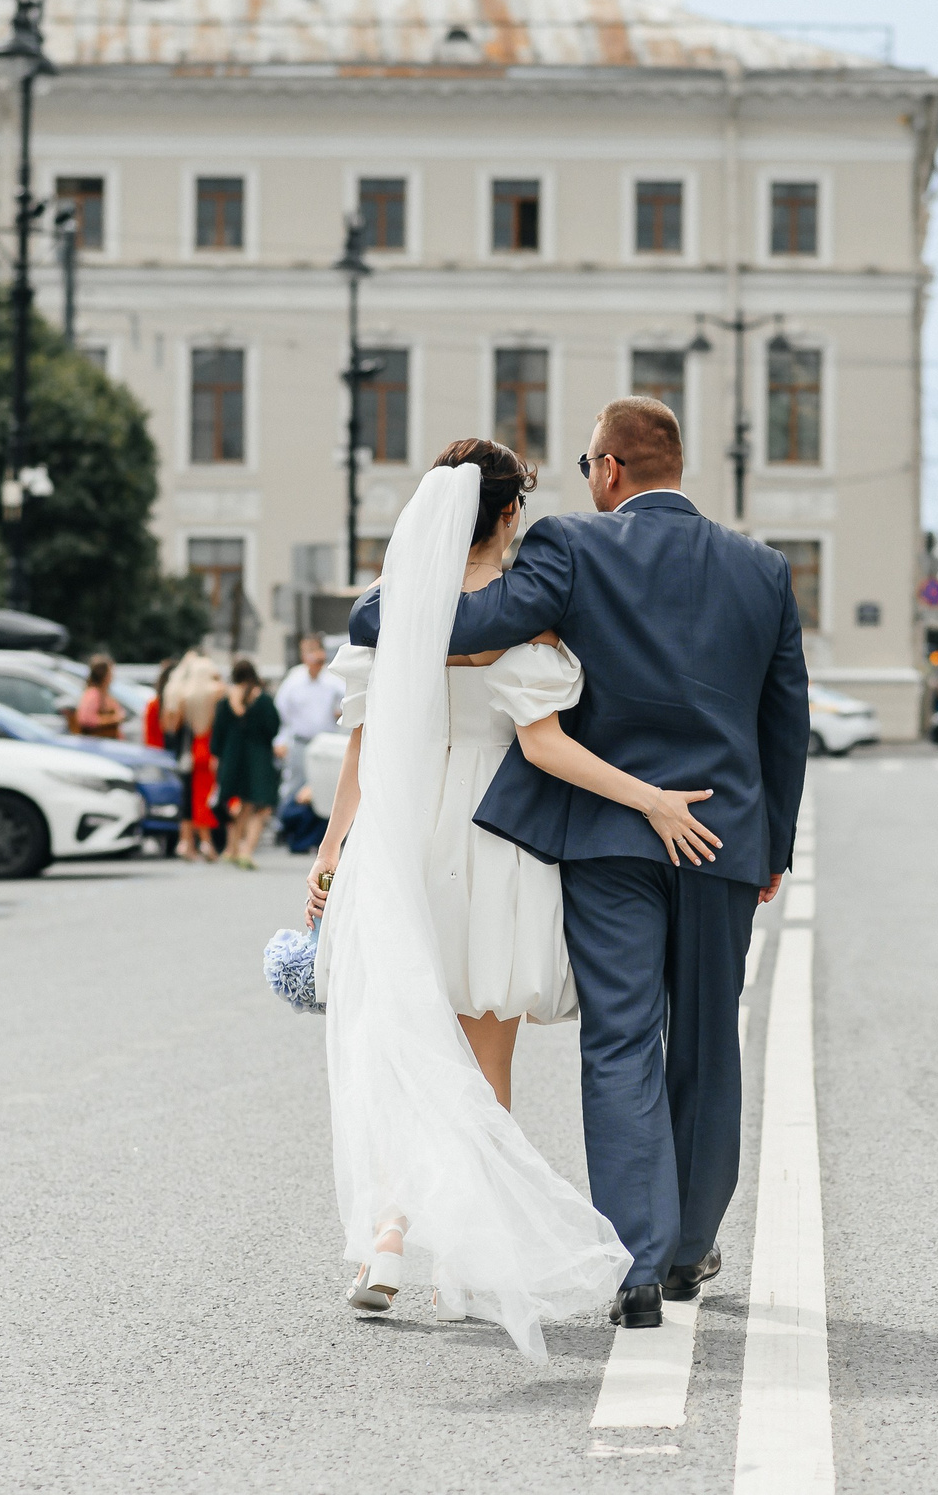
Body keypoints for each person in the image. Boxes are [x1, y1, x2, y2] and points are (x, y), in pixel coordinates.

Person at [343, 396, 808, 1331]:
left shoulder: (572, 547)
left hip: (608, 838)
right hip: (721, 837)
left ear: (610, 469)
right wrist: (773, 847)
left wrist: (379, 597)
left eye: (590, 463)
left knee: (621, 1038)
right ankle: (688, 1249)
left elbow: (468, 622)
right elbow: (784, 717)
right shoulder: (763, 568)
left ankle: (637, 1266)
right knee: (708, 1041)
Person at [312, 456, 664, 1358]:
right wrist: (649, 797)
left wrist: (333, 849)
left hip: (403, 832)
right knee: (484, 1057)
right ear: (509, 516)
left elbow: (362, 748)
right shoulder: (520, 618)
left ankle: (388, 1239)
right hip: (497, 834)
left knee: (406, 1042)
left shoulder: (392, 611)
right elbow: (543, 746)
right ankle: (465, 1260)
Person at [212, 659, 280, 867]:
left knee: (241, 804)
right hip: (258, 759)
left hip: (233, 759)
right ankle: (246, 851)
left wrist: (218, 757)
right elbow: (273, 727)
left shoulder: (226, 700)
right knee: (260, 807)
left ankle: (232, 848)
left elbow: (217, 735)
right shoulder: (263, 700)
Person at [166, 650, 228, 861]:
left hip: (194, 749)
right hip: (211, 747)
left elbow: (173, 726)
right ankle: (209, 843)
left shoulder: (185, 695)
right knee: (209, 798)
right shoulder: (217, 693)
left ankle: (195, 842)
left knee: (195, 798)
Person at [273, 633, 342, 809]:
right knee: (293, 788)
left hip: (325, 745)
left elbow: (348, 703)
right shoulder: (293, 679)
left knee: (325, 790)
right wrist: (281, 740)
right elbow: (281, 714)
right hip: (300, 743)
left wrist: (340, 712)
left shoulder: (334, 679)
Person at [73, 653, 126, 740]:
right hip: (96, 742)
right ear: (103, 675)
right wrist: (113, 719)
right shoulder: (93, 694)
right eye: (110, 672)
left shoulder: (103, 693)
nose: (112, 676)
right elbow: (86, 719)